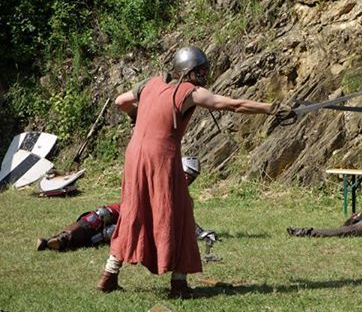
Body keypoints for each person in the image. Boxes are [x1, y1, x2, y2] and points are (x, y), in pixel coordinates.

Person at [96, 46, 294, 298]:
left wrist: (136, 116)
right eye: (199, 71)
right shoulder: (189, 92)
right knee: (180, 212)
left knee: (133, 210)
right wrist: (271, 108)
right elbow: (232, 105)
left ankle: (109, 274)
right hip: (161, 156)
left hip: (134, 154)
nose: (203, 75)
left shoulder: (150, 84)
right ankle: (179, 283)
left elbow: (120, 101)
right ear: (187, 71)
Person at [36, 157, 214, 252]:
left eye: (191, 178)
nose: (186, 179)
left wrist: (203, 233)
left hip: (140, 224)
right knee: (98, 215)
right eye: (185, 174)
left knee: (110, 232)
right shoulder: (157, 179)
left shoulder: (185, 200)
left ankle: (63, 244)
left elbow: (186, 223)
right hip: (127, 209)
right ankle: (57, 238)